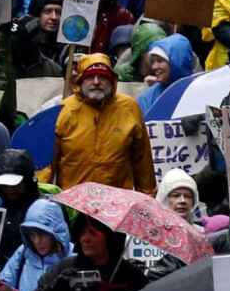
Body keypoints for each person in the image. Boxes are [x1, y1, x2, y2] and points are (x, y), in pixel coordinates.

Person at [53, 53, 154, 192]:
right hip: (73, 201)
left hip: (116, 202)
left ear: (112, 81)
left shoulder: (129, 108)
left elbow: (142, 159)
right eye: (90, 77)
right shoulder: (63, 111)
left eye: (102, 76)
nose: (96, 82)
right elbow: (48, 162)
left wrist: (147, 195)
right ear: (80, 80)